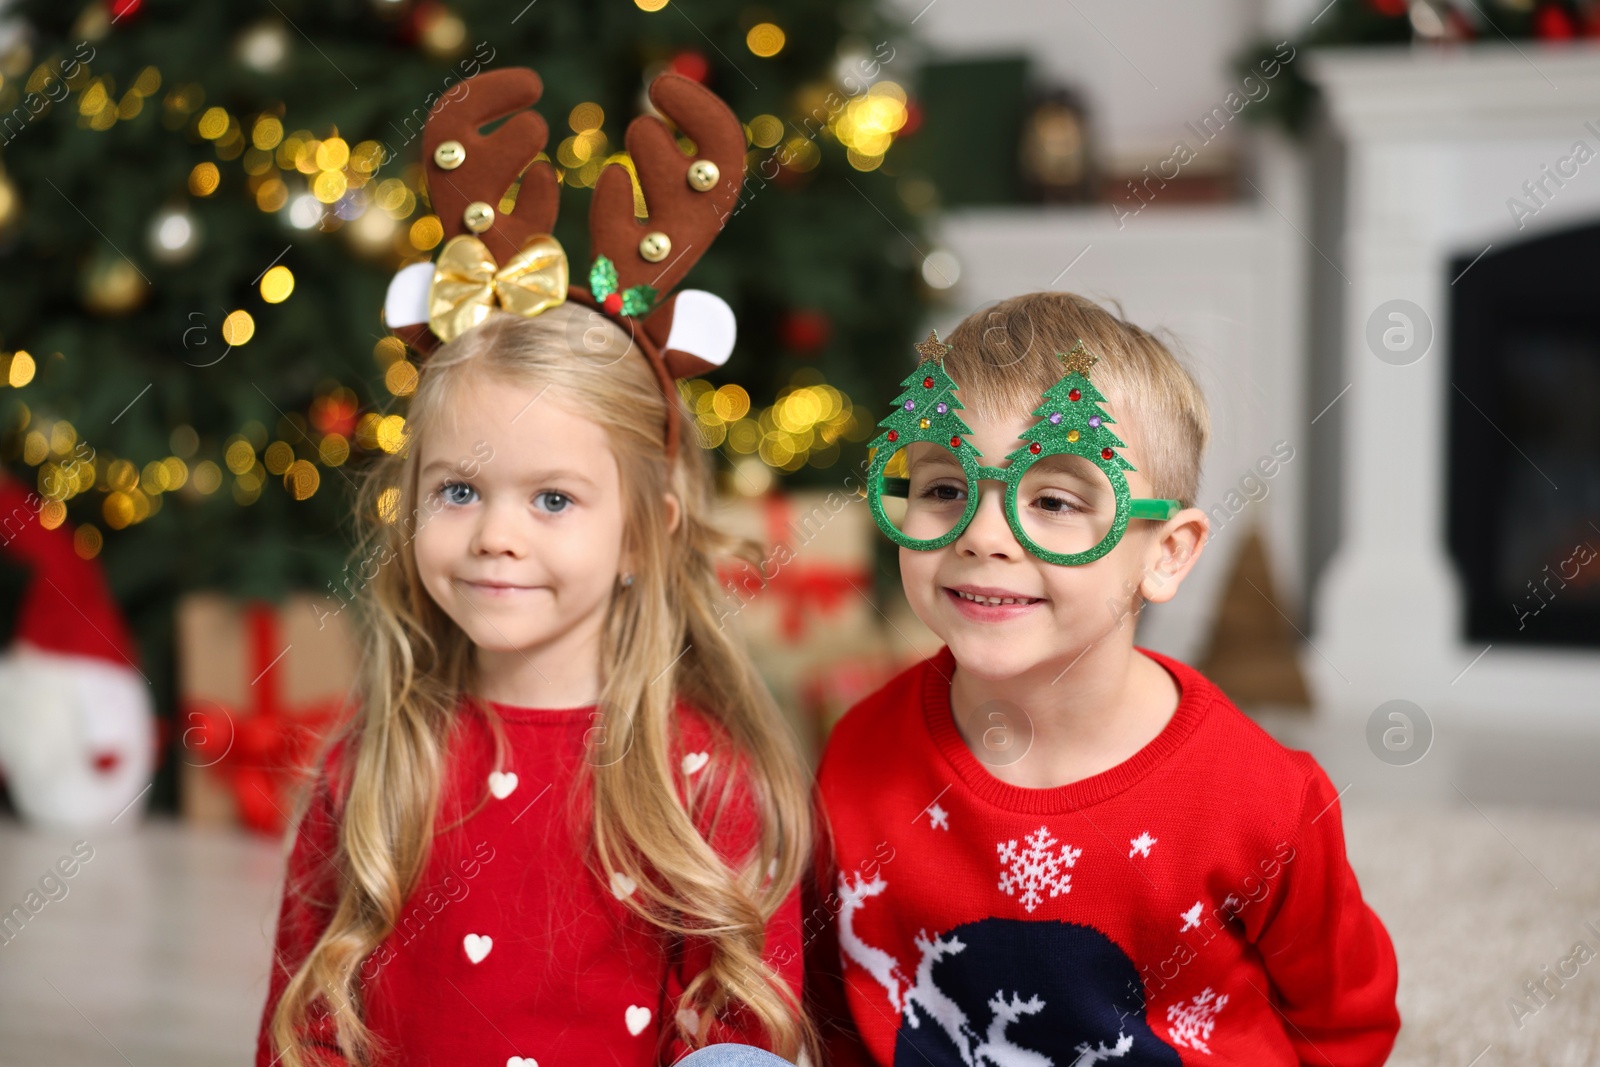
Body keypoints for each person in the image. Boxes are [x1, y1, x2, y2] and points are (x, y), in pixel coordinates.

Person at [257, 65, 816, 1066]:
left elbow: (744, 1031)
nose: (494, 536)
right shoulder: (377, 763)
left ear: (645, 533)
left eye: (552, 499)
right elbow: (301, 1021)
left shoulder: (700, 777)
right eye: (459, 491)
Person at [805, 291, 1401, 1066]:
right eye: (944, 489)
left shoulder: (1263, 801)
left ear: (1167, 554)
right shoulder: (859, 751)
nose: (984, 536)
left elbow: (1345, 1024)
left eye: (1053, 500)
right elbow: (830, 1002)